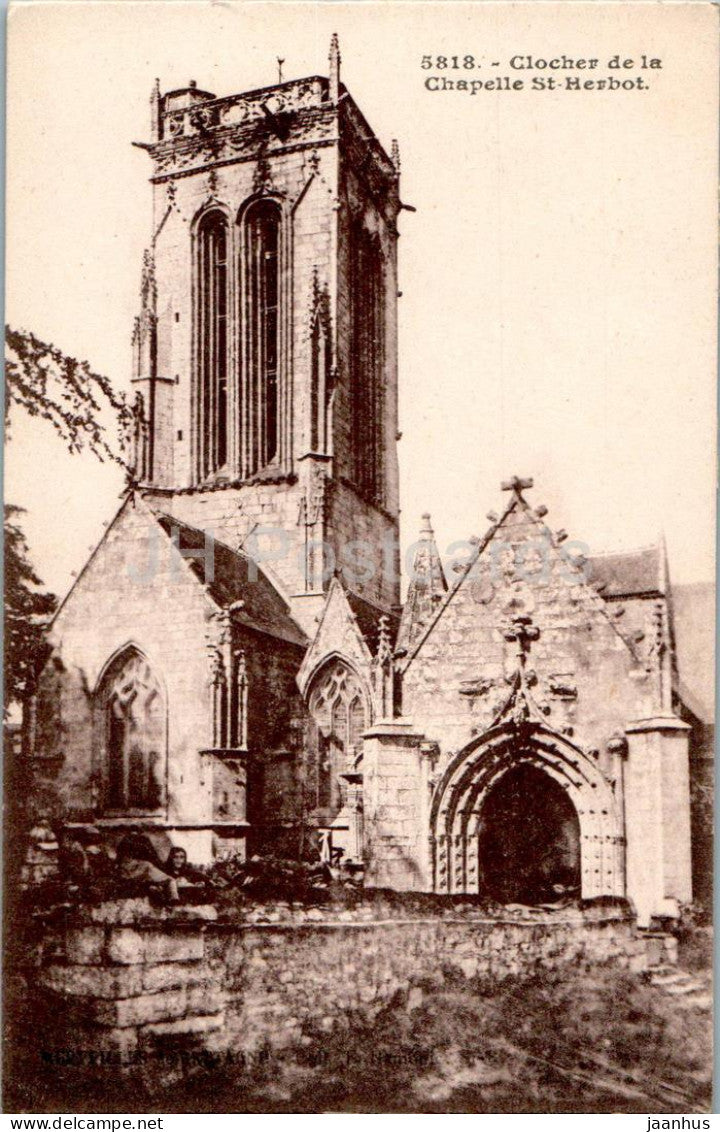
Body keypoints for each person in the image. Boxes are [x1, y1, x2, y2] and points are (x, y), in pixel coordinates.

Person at [116, 833, 180, 903]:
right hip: (137, 878)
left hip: (130, 882)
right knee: (168, 881)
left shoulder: (144, 865)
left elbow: (169, 880)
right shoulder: (144, 864)